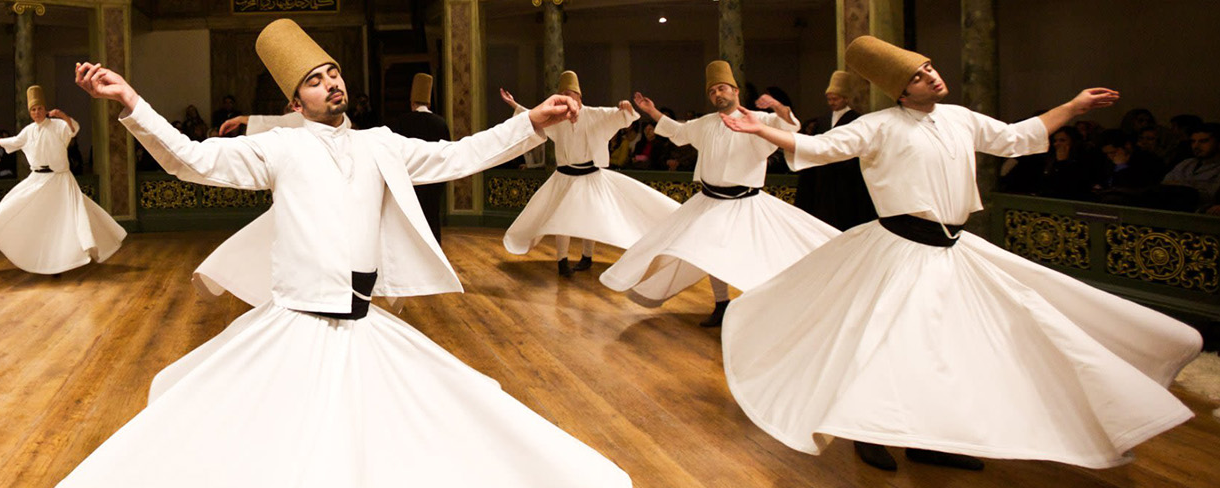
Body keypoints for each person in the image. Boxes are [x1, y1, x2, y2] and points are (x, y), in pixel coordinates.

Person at [56, 19, 630, 487]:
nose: (330, 83)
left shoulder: (380, 145)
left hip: (364, 329)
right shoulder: (278, 148)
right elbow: (191, 159)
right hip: (295, 328)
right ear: (295, 102)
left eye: (332, 72)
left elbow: (460, 156)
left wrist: (530, 122)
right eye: (313, 80)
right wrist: (131, 102)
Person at [717, 36, 1201, 473]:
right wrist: (761, 132)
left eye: (930, 67)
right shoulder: (880, 126)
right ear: (901, 92)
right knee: (888, 343)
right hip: (900, 249)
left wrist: (1072, 107)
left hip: (952, 248)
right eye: (919, 75)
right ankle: (866, 430)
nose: (932, 75)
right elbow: (818, 147)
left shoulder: (960, 118)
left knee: (949, 347)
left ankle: (931, 438)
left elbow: (1016, 136)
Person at [598, 60, 840, 327]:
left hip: (745, 202)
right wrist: (652, 111)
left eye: (722, 89)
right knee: (709, 252)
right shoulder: (706, 123)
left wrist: (777, 106)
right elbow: (678, 131)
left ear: (735, 91)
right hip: (710, 201)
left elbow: (789, 127)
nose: (717, 95)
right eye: (712, 91)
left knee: (755, 254)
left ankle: (761, 306)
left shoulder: (758, 119)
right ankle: (722, 304)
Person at [499, 72, 681, 276]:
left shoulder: (596, 114)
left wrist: (626, 108)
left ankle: (587, 256)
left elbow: (623, 116)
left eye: (571, 94)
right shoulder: (556, 118)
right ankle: (562, 261)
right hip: (565, 176)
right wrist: (514, 105)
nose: (568, 98)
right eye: (564, 94)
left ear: (579, 96)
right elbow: (532, 116)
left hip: (590, 175)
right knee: (562, 219)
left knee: (591, 216)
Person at [0, 85, 126, 275]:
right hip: (37, 178)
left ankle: (64, 258)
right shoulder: (29, 131)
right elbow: (15, 141)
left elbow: (73, 129)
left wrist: (62, 115)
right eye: (33, 110)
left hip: (59, 179)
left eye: (39, 109)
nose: (36, 112)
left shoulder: (58, 125)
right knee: (13, 205)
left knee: (65, 218)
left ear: (45, 110)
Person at [795, 71, 877, 230]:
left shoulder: (856, 120)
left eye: (836, 98)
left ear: (846, 98)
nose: (832, 102)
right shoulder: (820, 121)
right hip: (823, 182)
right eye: (829, 99)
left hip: (847, 182)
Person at [384, 73, 453, 242]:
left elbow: (394, 153)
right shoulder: (440, 123)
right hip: (433, 180)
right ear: (429, 103)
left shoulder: (402, 121)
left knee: (411, 222)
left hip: (410, 181)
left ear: (412, 102)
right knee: (432, 220)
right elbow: (447, 154)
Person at [1163, 124, 1220, 214]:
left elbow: (1210, 195)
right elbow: (1165, 184)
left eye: (1203, 141)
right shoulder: (1186, 163)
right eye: (1193, 142)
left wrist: (1181, 185)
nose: (1196, 146)